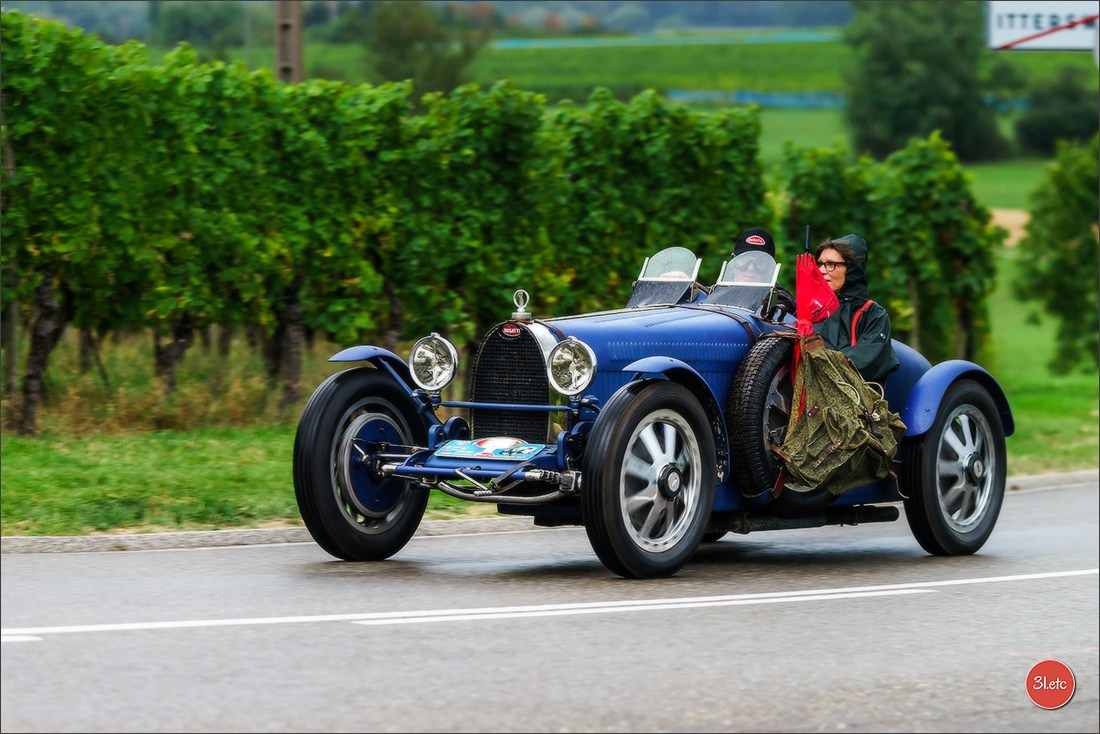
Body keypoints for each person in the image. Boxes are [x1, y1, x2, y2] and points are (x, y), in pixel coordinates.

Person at [812, 234, 898, 385]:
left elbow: (864, 361)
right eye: (820, 264)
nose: (822, 270)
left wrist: (816, 359)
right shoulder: (810, 308)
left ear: (852, 268)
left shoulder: (873, 315)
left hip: (854, 403)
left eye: (831, 264)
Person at [730, 228, 795, 314]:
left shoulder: (780, 300)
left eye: (760, 261)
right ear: (734, 260)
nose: (751, 268)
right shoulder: (715, 293)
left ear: (770, 266)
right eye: (744, 259)